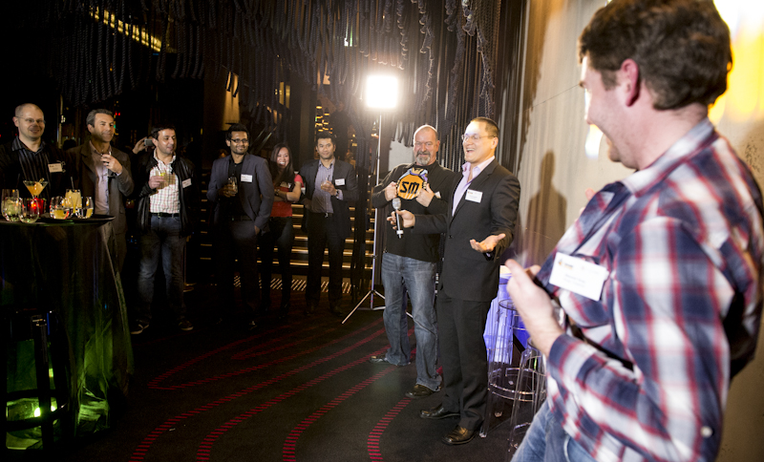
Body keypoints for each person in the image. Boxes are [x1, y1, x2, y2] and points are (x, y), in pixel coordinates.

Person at [505, 1, 764, 461]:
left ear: (628, 80)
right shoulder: (712, 170)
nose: (588, 114)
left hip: (596, 444)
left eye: (587, 89)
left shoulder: (665, 222)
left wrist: (547, 335)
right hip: (570, 411)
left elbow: (676, 438)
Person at [396, 117, 521, 445]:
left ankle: (472, 416)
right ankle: (452, 403)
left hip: (474, 280)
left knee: (470, 353)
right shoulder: (463, 177)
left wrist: (494, 243)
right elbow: (448, 222)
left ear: (493, 142)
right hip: (449, 278)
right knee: (449, 349)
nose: (468, 142)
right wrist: (414, 221)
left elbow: (504, 227)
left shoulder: (503, 180)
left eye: (475, 137)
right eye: (466, 136)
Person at [369, 124, 458, 399]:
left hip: (422, 259)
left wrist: (430, 201)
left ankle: (428, 379)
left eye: (428, 143)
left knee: (423, 319)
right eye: (418, 143)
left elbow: (452, 217)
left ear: (438, 145)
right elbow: (374, 199)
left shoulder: (448, 179)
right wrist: (386, 194)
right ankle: (397, 355)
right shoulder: (399, 171)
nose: (422, 148)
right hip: (392, 254)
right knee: (391, 310)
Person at [132, 123, 199, 334]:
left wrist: (189, 225)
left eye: (174, 138)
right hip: (150, 222)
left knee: (175, 273)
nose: (171, 142)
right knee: (146, 273)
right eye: (166, 138)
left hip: (175, 223)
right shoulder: (143, 163)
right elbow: (131, 192)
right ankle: (142, 318)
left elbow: (193, 199)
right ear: (155, 141)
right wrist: (148, 186)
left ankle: (179, 316)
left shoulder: (186, 165)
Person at [207, 124, 274, 328]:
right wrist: (220, 192)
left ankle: (251, 313)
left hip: (247, 224)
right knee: (223, 272)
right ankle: (225, 312)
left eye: (244, 140)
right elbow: (210, 194)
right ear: (228, 142)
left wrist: (258, 225)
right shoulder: (218, 164)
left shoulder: (259, 163)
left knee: (249, 273)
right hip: (223, 224)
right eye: (236, 140)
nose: (241, 144)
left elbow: (268, 196)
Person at [299, 131, 359, 316]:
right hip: (316, 220)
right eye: (321, 146)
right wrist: (305, 201)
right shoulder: (307, 167)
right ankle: (311, 301)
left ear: (334, 147)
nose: (325, 149)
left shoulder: (346, 168)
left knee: (336, 263)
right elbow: (298, 190)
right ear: (316, 149)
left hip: (335, 221)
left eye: (328, 145)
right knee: (314, 263)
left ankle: (335, 302)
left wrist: (336, 192)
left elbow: (355, 194)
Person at [68, 109, 134, 270]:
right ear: (90, 128)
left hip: (114, 224)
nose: (108, 129)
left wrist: (120, 170)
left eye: (111, 125)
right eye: (103, 124)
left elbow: (129, 191)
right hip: (85, 224)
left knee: (114, 273)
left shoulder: (122, 157)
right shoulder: (74, 155)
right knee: (85, 271)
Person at [259, 143, 302, 319]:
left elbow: (295, 197)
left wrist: (275, 193)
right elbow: (261, 196)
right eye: (279, 155)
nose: (282, 159)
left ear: (290, 158)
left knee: (285, 264)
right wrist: (284, 195)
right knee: (266, 264)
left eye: (286, 156)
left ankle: (285, 301)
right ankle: (265, 301)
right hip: (267, 222)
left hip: (285, 222)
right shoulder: (266, 173)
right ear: (274, 157)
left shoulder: (295, 176)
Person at [0, 103, 76, 200]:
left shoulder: (60, 155)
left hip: (52, 210)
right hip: (15, 209)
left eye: (39, 121)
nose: (35, 124)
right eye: (29, 120)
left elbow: (69, 189)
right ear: (16, 121)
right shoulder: (3, 154)